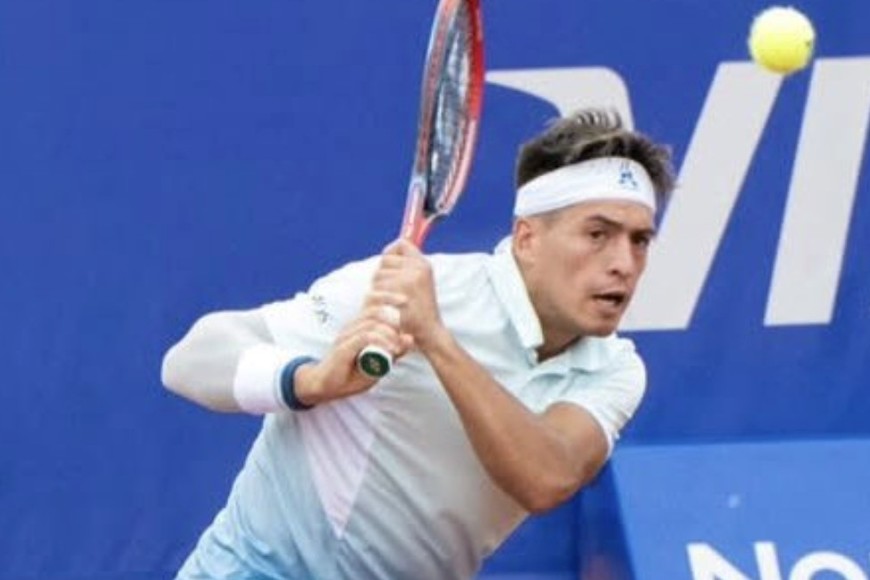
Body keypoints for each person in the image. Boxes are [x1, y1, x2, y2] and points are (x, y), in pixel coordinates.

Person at [161, 108, 676, 579]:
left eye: (640, 240)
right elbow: (188, 360)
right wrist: (310, 380)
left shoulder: (616, 370)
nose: (624, 264)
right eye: (597, 234)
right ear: (527, 239)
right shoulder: (420, 288)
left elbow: (546, 477)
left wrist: (435, 339)